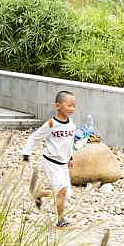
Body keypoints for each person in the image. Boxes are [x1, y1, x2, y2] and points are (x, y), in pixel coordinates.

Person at [22, 91, 77, 228]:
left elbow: (68, 142)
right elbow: (35, 137)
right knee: (61, 192)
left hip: (63, 163)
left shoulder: (71, 124)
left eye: (74, 106)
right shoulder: (51, 124)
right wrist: (26, 153)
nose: (72, 109)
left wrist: (70, 157)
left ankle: (38, 193)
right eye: (69, 105)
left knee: (66, 194)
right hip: (50, 162)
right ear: (57, 106)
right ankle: (60, 220)